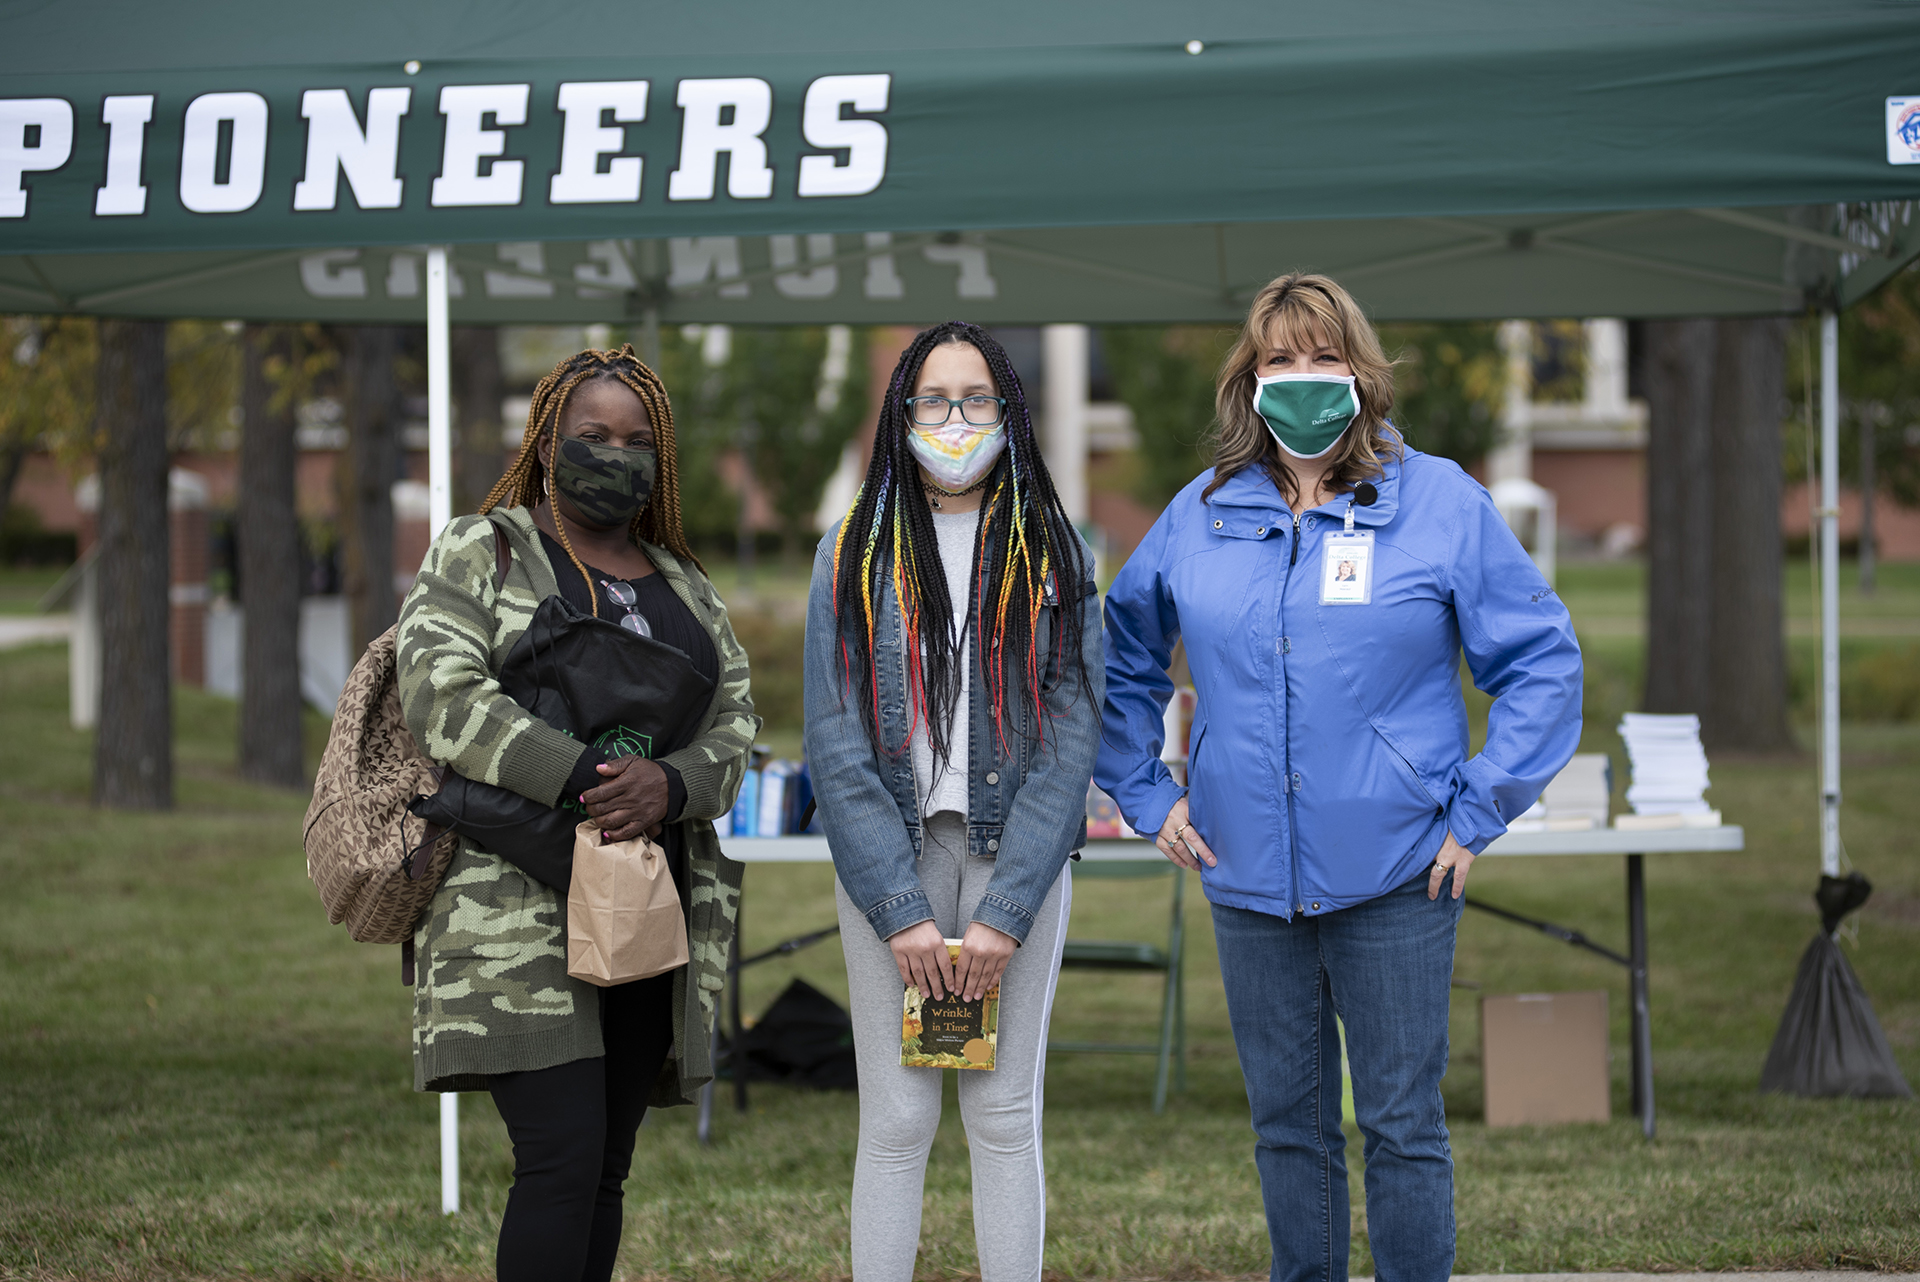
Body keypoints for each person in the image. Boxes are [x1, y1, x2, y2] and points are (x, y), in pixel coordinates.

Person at [1095, 274, 1582, 1282]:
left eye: (1324, 357)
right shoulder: (1204, 513)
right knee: (1286, 1128)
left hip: (1401, 870)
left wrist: (1478, 807)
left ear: (1361, 374)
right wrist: (1148, 793)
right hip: (1245, 875)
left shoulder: (1440, 501)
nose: (1303, 379)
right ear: (1251, 379)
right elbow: (1120, 656)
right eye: (1281, 360)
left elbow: (1541, 662)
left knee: (1402, 1125)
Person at [395, 346, 759, 1282]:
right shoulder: (487, 547)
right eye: (593, 436)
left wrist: (670, 787)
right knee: (558, 1163)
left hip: (647, 909)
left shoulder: (682, 578)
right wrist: (590, 776)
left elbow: (736, 724)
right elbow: (441, 696)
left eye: (637, 441)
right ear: (548, 445)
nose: (617, 455)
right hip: (515, 911)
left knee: (604, 1171)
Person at [803, 322, 1103, 1282]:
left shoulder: (1055, 551)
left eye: (978, 400)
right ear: (902, 414)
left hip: (1014, 855)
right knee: (896, 1119)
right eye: (934, 400)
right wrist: (898, 912)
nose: (956, 419)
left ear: (1011, 413)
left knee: (1003, 1115)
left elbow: (1069, 735)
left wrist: (1009, 911)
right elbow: (835, 739)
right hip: (891, 857)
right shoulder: (850, 553)